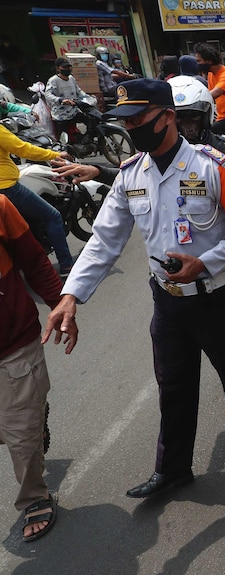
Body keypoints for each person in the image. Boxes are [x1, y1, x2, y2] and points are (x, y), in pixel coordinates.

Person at [41, 78, 225, 499]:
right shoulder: (131, 175)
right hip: (167, 303)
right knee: (174, 386)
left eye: (138, 118)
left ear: (168, 117)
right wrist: (69, 296)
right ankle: (174, 468)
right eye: (125, 121)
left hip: (214, 296)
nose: (131, 129)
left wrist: (204, 262)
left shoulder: (212, 165)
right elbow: (105, 241)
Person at [54, 76, 225, 382]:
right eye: (183, 114)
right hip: (169, 294)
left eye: (193, 116)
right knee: (175, 381)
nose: (187, 123)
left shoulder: (224, 153)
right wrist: (71, 295)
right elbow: (138, 184)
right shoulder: (141, 163)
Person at [1, 196, 73, 542]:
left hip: (13, 343)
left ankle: (34, 497)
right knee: (12, 426)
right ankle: (34, 412)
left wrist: (61, 305)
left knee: (19, 433)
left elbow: (34, 261)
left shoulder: (1, 207)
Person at [0, 120, 74, 275]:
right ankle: (67, 265)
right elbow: (22, 149)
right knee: (53, 216)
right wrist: (54, 154)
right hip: (6, 187)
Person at [44, 58, 88, 139]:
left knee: (89, 120)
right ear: (58, 68)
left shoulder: (71, 78)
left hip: (74, 111)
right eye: (64, 68)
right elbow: (48, 94)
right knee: (64, 139)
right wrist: (61, 100)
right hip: (60, 114)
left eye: (68, 67)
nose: (67, 69)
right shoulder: (54, 80)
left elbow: (78, 91)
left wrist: (87, 97)